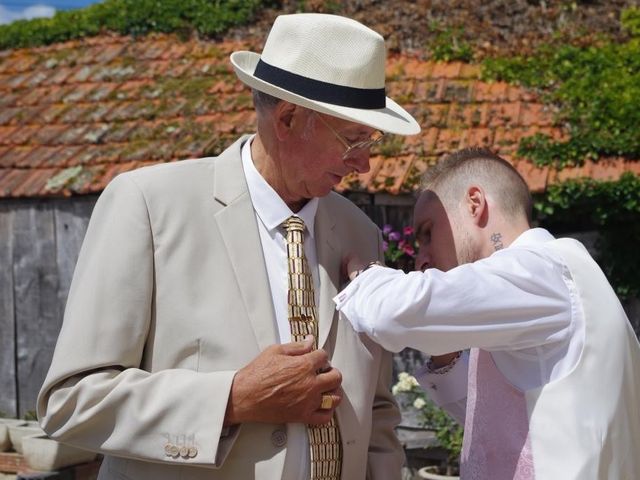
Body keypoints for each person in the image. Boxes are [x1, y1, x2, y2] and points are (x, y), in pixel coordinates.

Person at [37, 13, 420, 480]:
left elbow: (377, 411)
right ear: (289, 118)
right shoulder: (149, 205)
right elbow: (73, 402)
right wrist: (233, 399)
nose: (364, 164)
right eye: (353, 140)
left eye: (371, 140)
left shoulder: (361, 233)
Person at [335, 147, 640, 479]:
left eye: (427, 233)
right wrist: (445, 357)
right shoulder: (533, 287)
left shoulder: (540, 270)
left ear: (475, 204)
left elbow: (392, 312)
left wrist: (364, 278)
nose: (421, 258)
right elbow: (494, 425)